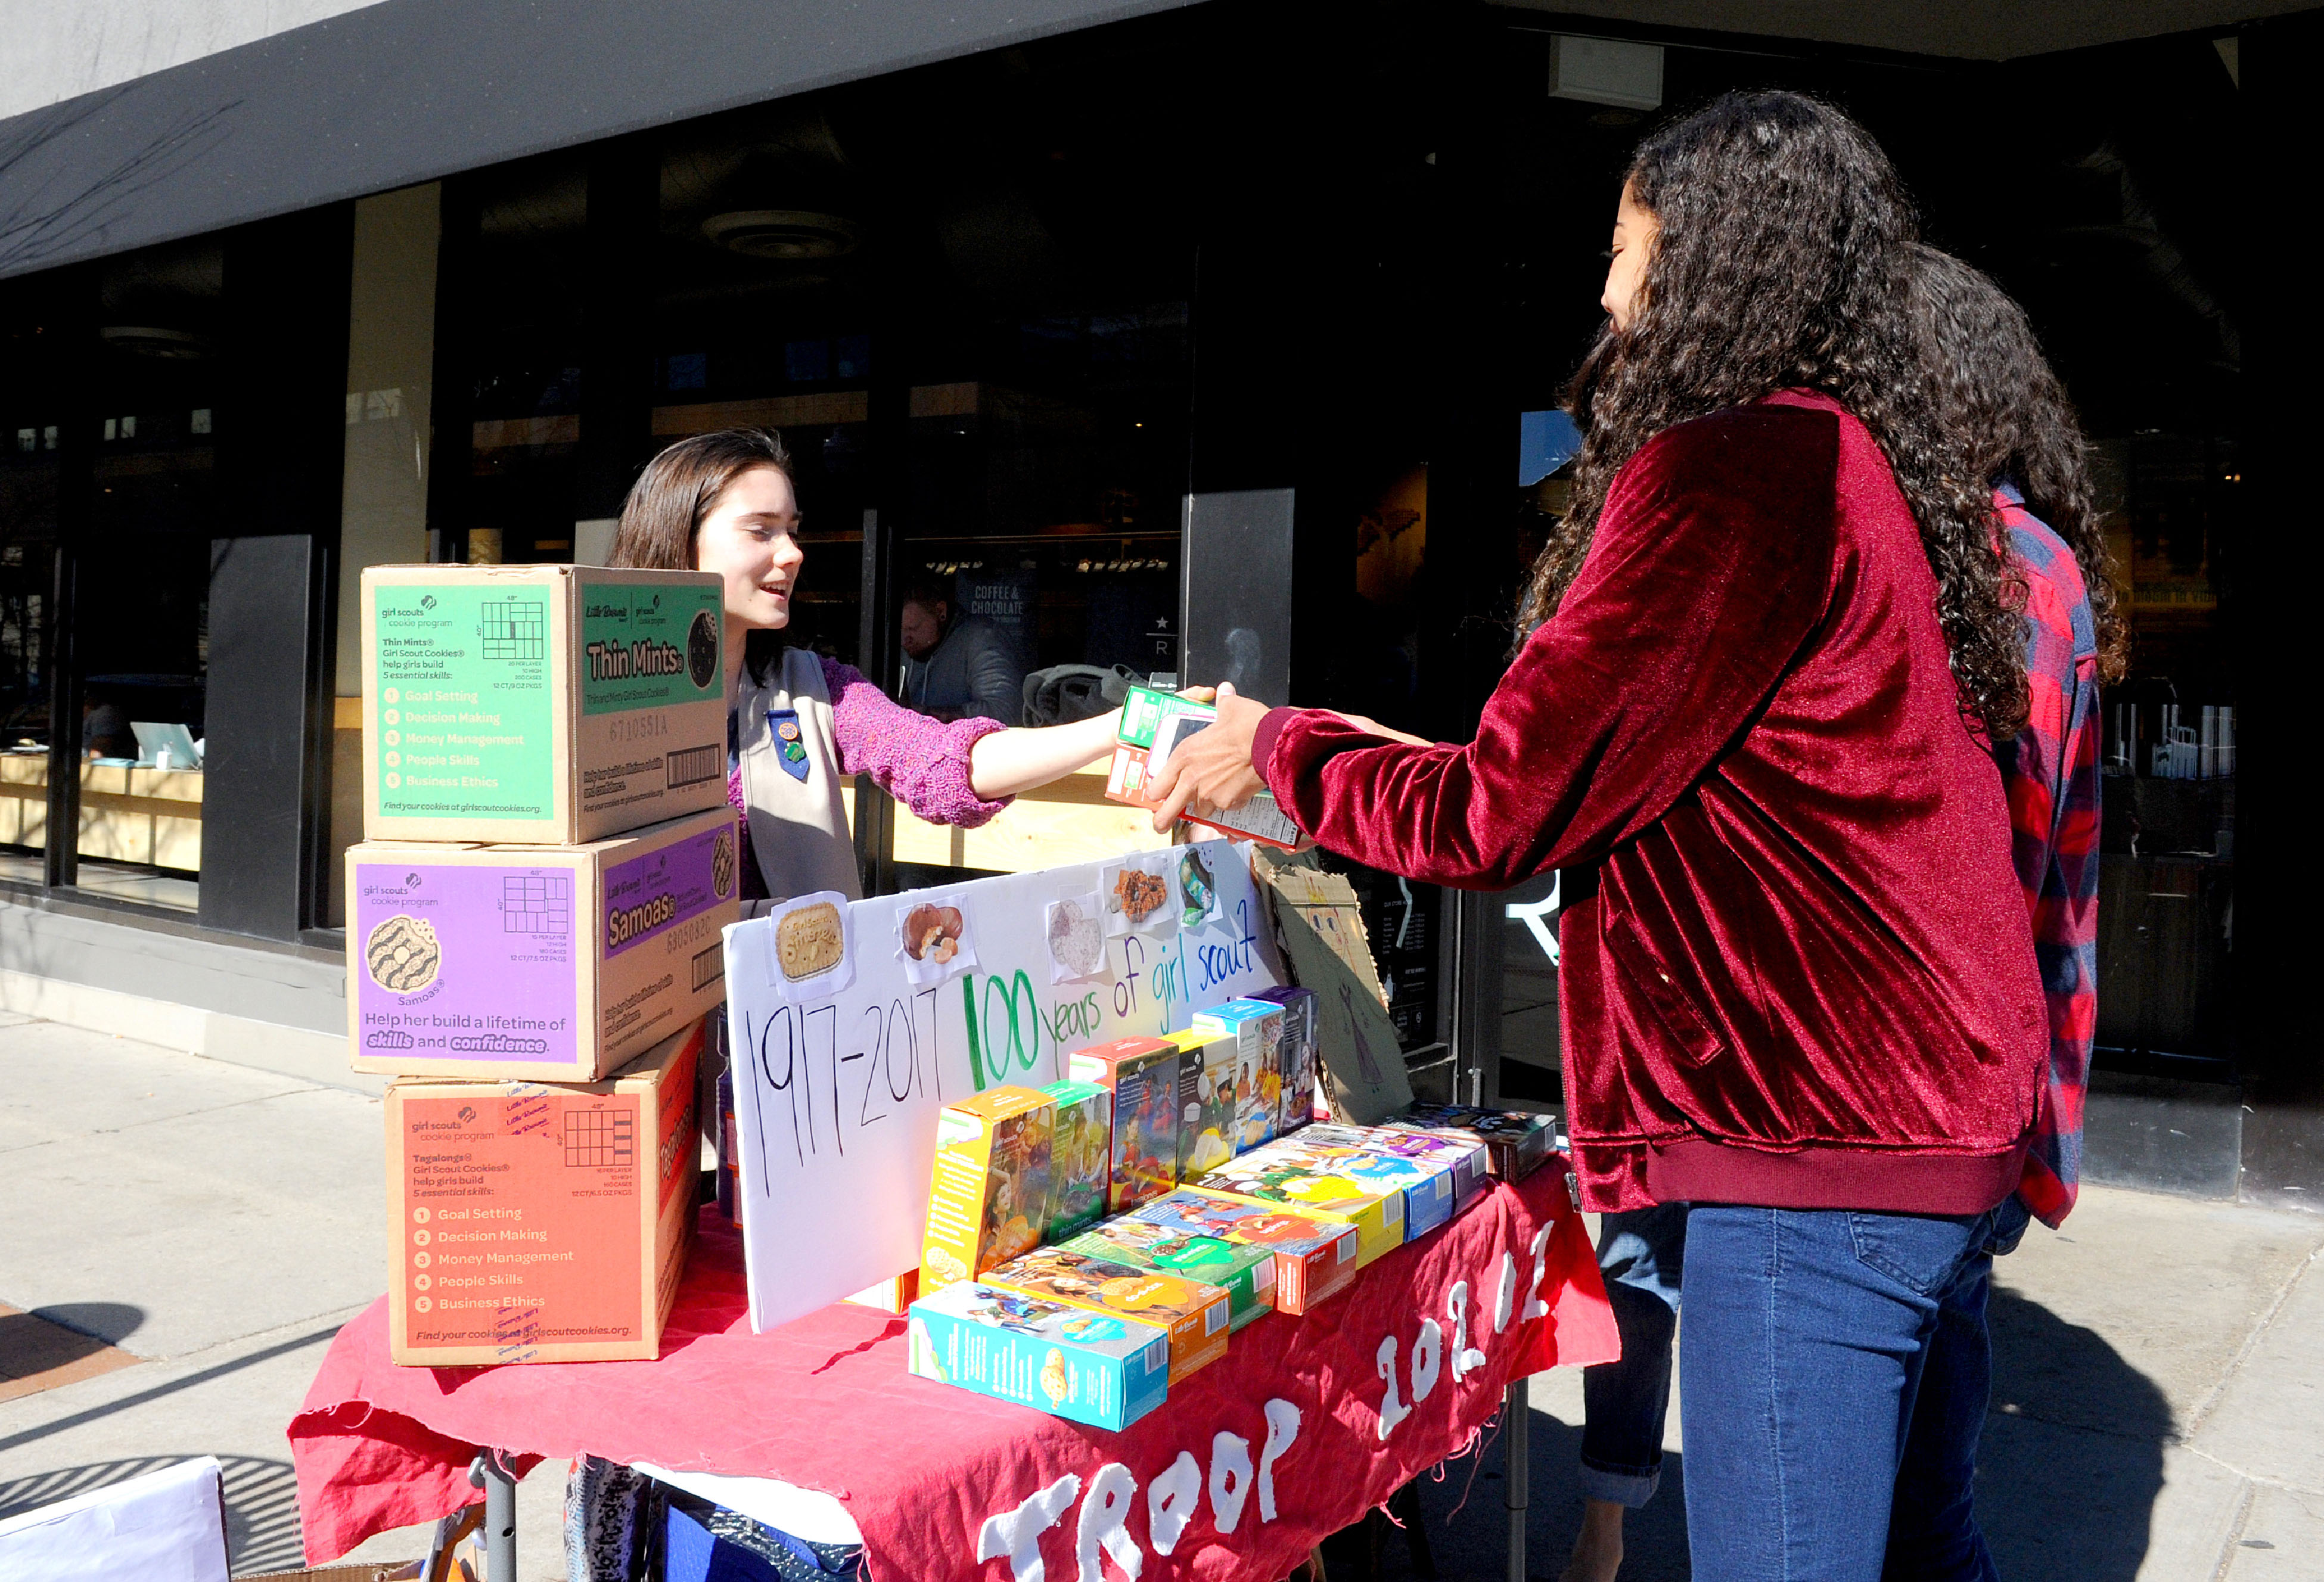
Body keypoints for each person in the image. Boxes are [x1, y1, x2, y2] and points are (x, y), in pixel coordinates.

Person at [1149, 92, 2048, 1579]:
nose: (1606, 295)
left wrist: (1279, 750)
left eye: (1624, 250)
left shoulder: (1735, 470)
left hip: (1819, 1152)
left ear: (1707, 264)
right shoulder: (1846, 460)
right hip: (1924, 1134)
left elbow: (1505, 808)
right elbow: (1611, 769)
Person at [1882, 244, 2116, 1581]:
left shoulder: (1980, 568)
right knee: (1928, 1503)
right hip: (1991, 1092)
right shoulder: (2041, 566)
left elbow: (1970, 861)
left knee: (1904, 1519)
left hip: (1925, 1095)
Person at [607, 428, 1129, 909]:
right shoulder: (599, 703)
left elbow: (945, 759)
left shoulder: (816, 690)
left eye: (792, 530)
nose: (792, 554)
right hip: (648, 1005)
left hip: (796, 1004)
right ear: (681, 539)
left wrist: (1124, 728)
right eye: (761, 531)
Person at [899, 578, 1026, 726]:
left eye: (913, 629)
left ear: (941, 612)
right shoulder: (905, 646)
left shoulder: (981, 638)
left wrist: (929, 716)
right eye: (900, 631)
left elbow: (1006, 712)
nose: (904, 640)